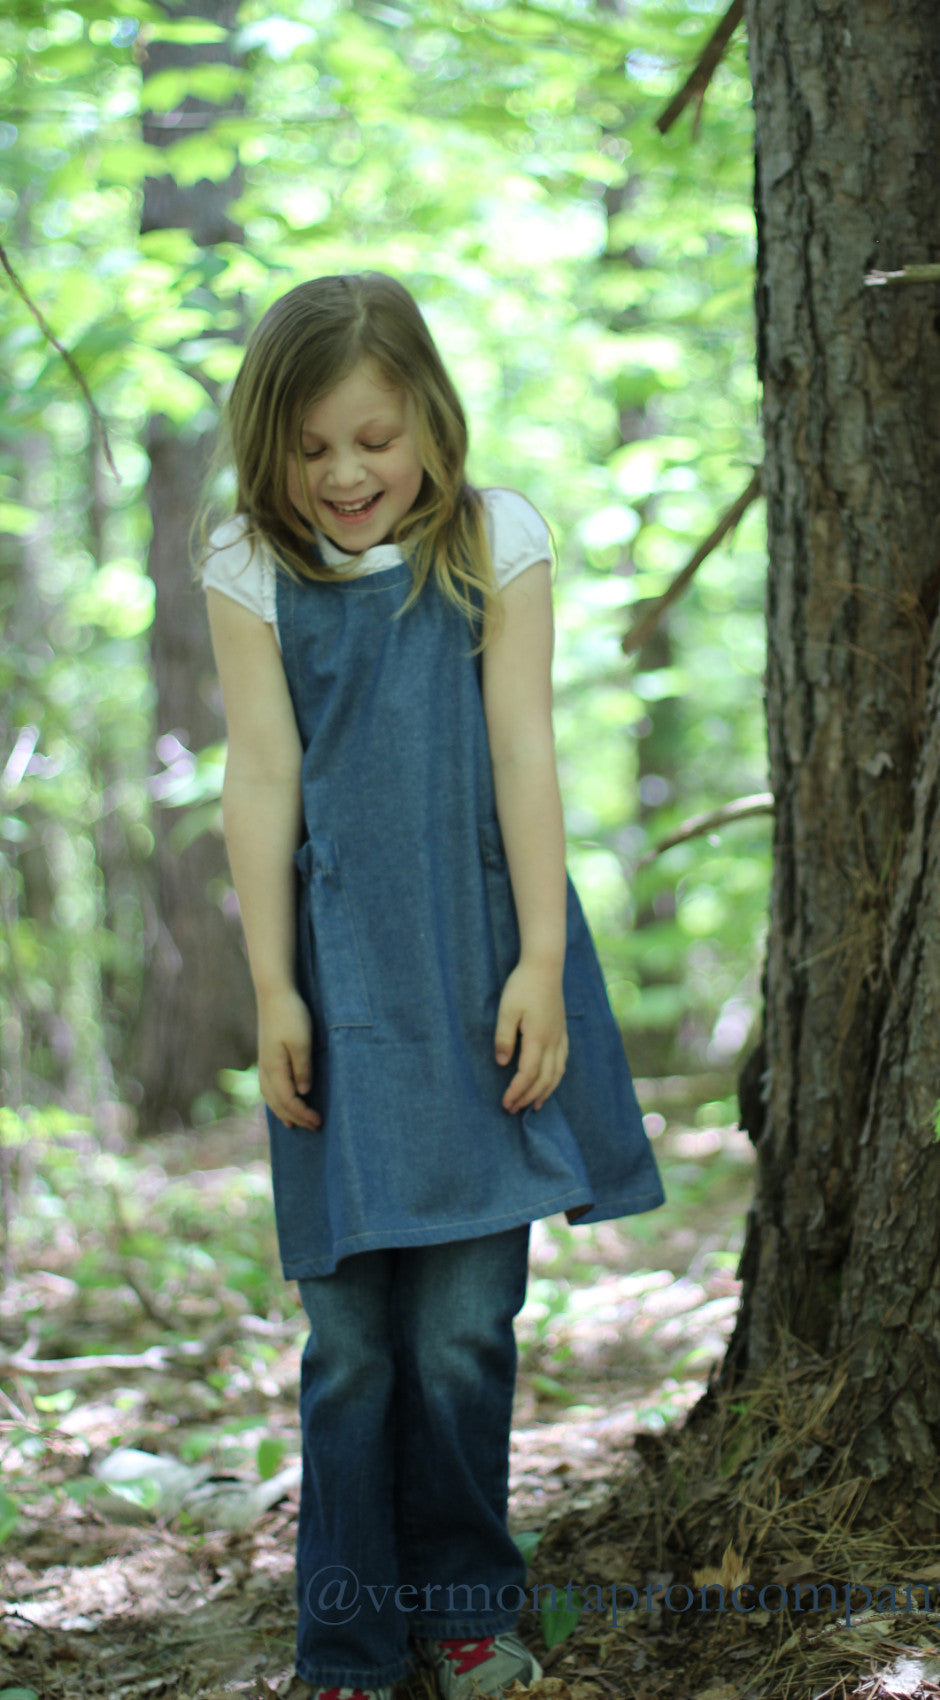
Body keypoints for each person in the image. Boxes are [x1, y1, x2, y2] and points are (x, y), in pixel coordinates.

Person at [200, 272, 664, 1700]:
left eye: (376, 439)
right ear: (270, 448)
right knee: (347, 1341)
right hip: (340, 985)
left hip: (480, 973)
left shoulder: (490, 539)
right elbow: (262, 776)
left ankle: (467, 1604)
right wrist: (273, 987)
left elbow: (524, 752)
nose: (348, 474)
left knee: (463, 1327)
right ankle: (343, 1634)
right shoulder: (247, 567)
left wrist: (537, 957)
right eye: (314, 447)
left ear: (431, 427)